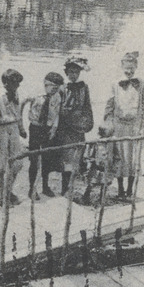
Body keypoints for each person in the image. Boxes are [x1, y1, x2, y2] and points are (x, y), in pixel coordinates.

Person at [102, 51, 144, 200]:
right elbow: (109, 105)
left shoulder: (142, 84)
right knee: (120, 157)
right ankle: (120, 189)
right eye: (126, 68)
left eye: (132, 68)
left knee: (133, 159)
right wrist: (108, 122)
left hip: (135, 126)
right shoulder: (115, 84)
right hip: (119, 126)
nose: (129, 71)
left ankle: (130, 189)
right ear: (121, 66)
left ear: (136, 66)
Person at [54, 57, 94, 197]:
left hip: (79, 126)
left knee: (77, 157)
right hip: (66, 127)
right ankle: (64, 188)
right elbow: (57, 108)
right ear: (66, 73)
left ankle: (72, 187)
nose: (73, 75)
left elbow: (87, 106)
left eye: (76, 72)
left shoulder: (84, 87)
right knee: (66, 159)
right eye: (71, 72)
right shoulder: (62, 88)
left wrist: (88, 123)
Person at [0, 69, 28, 207]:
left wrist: (21, 129)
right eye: (14, 83)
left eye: (18, 83)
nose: (17, 86)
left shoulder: (15, 94)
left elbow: (17, 113)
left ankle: (8, 191)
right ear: (5, 83)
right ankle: (2, 196)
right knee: (1, 165)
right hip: (1, 131)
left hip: (14, 129)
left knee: (17, 163)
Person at [27, 72, 64, 199]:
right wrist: (20, 124)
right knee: (34, 160)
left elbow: (57, 113)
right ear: (46, 84)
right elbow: (21, 103)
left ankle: (45, 186)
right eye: (53, 87)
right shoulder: (35, 94)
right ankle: (32, 188)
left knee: (47, 159)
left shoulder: (57, 96)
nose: (55, 90)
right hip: (36, 128)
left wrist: (54, 129)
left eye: (57, 87)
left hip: (48, 129)